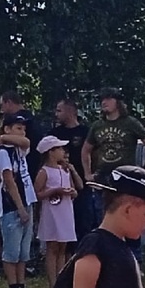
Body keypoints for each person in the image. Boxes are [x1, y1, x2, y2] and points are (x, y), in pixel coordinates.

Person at [83, 88, 145, 226]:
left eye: (108, 98)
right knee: (103, 217)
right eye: (102, 99)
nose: (104, 102)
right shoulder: (97, 125)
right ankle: (106, 247)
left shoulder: (130, 122)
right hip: (103, 176)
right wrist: (87, 173)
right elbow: (85, 150)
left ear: (118, 102)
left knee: (128, 214)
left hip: (125, 176)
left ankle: (131, 247)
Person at [0, 114, 37, 288]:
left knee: (23, 250)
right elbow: (9, 181)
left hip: (27, 200)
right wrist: (20, 207)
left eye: (23, 128)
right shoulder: (3, 152)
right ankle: (13, 287)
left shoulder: (19, 149)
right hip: (11, 205)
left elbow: (27, 142)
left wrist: (6, 136)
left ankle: (21, 285)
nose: (23, 132)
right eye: (18, 128)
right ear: (7, 129)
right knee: (12, 250)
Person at [34, 136, 81, 286]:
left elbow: (75, 188)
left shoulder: (65, 170)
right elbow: (37, 193)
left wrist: (72, 192)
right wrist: (55, 191)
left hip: (66, 211)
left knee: (63, 246)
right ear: (50, 152)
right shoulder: (44, 171)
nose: (62, 151)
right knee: (52, 247)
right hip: (52, 212)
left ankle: (60, 281)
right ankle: (52, 283)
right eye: (59, 149)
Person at [53, 99, 91, 239]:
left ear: (70, 111)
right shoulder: (54, 133)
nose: (56, 114)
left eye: (59, 110)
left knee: (83, 222)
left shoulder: (85, 132)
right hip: (60, 185)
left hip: (82, 184)